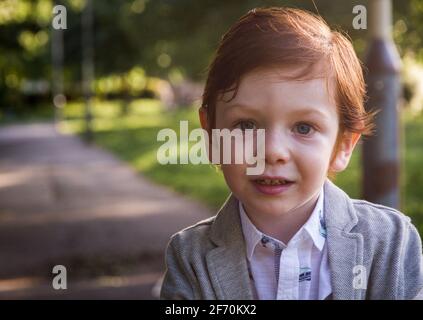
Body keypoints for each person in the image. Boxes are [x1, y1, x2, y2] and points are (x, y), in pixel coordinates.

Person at [160, 7, 423, 300]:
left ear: (343, 146)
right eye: (246, 125)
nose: (273, 152)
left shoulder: (390, 242)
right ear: (212, 135)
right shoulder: (190, 258)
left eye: (304, 127)